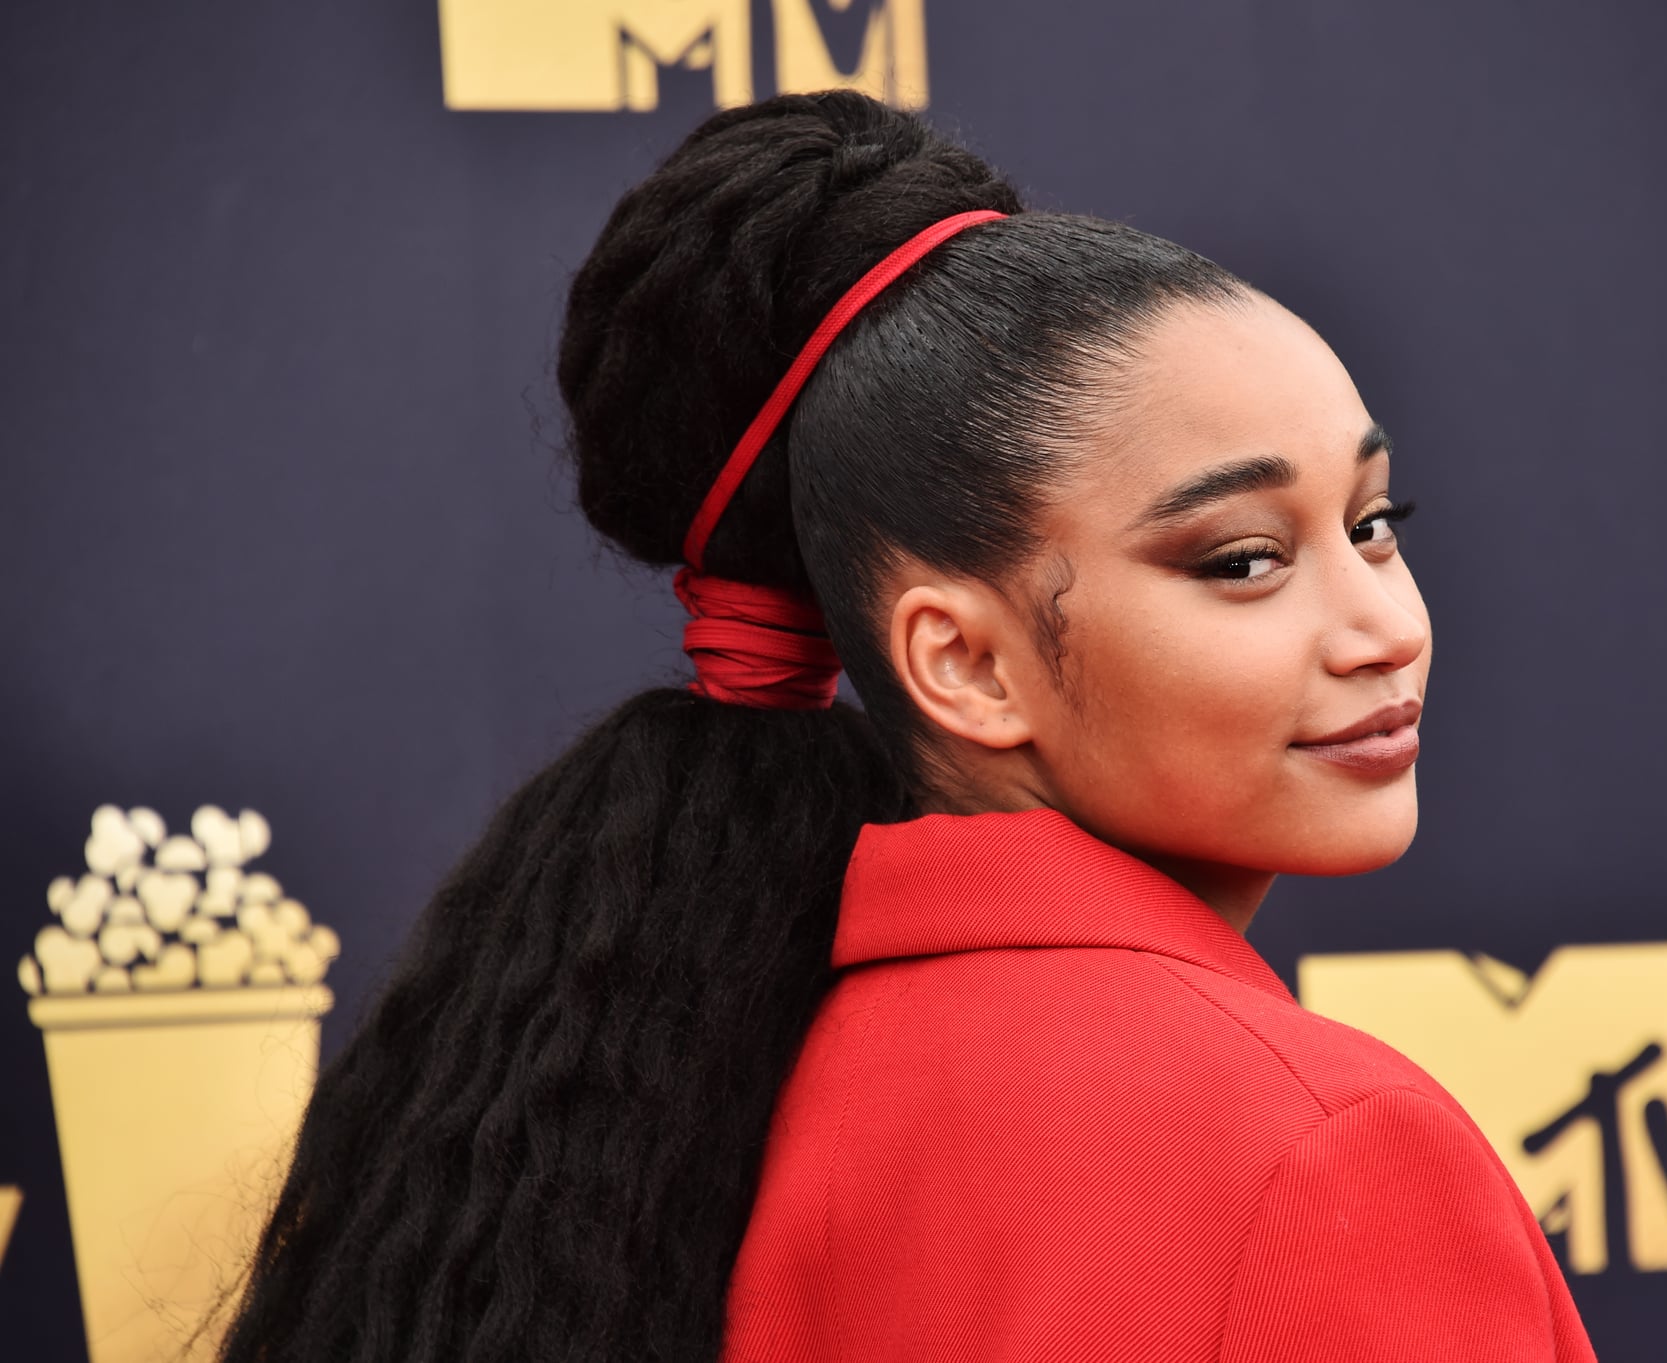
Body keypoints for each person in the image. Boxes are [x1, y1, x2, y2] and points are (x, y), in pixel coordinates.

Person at [216, 90, 1594, 1362]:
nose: (1385, 626)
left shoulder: (676, 1096)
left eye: (1373, 525)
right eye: (1242, 560)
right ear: (965, 665)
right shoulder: (1332, 1151)